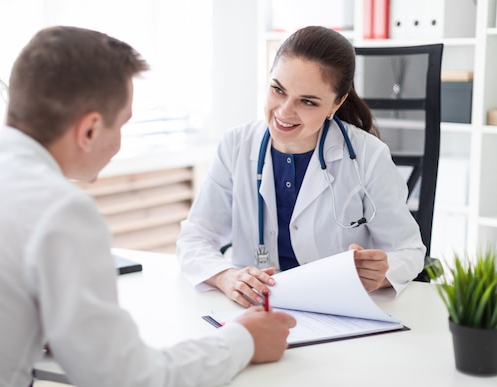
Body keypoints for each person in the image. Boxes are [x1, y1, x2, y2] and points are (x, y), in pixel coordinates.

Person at [0, 26, 296, 387]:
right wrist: (243, 339)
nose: (121, 140)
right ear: (90, 129)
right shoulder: (58, 211)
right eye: (123, 123)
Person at [176, 26, 426, 308]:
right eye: (277, 90)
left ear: (337, 102)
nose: (284, 112)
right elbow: (195, 237)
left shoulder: (368, 156)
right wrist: (226, 277)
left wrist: (381, 273)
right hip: (257, 310)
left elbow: (409, 250)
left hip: (336, 307)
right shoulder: (236, 145)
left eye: (307, 101)